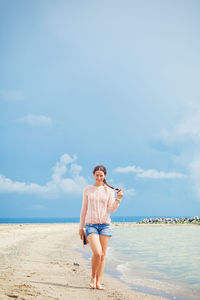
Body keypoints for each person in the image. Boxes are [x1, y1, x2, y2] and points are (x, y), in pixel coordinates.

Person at [79, 165, 123, 290]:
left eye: (101, 175)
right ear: (93, 175)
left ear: (105, 176)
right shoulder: (88, 189)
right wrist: (81, 227)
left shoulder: (108, 191)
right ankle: (93, 277)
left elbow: (111, 209)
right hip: (91, 225)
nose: (99, 177)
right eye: (97, 175)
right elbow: (84, 209)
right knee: (97, 253)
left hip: (105, 225)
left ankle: (98, 282)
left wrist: (118, 199)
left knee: (103, 255)